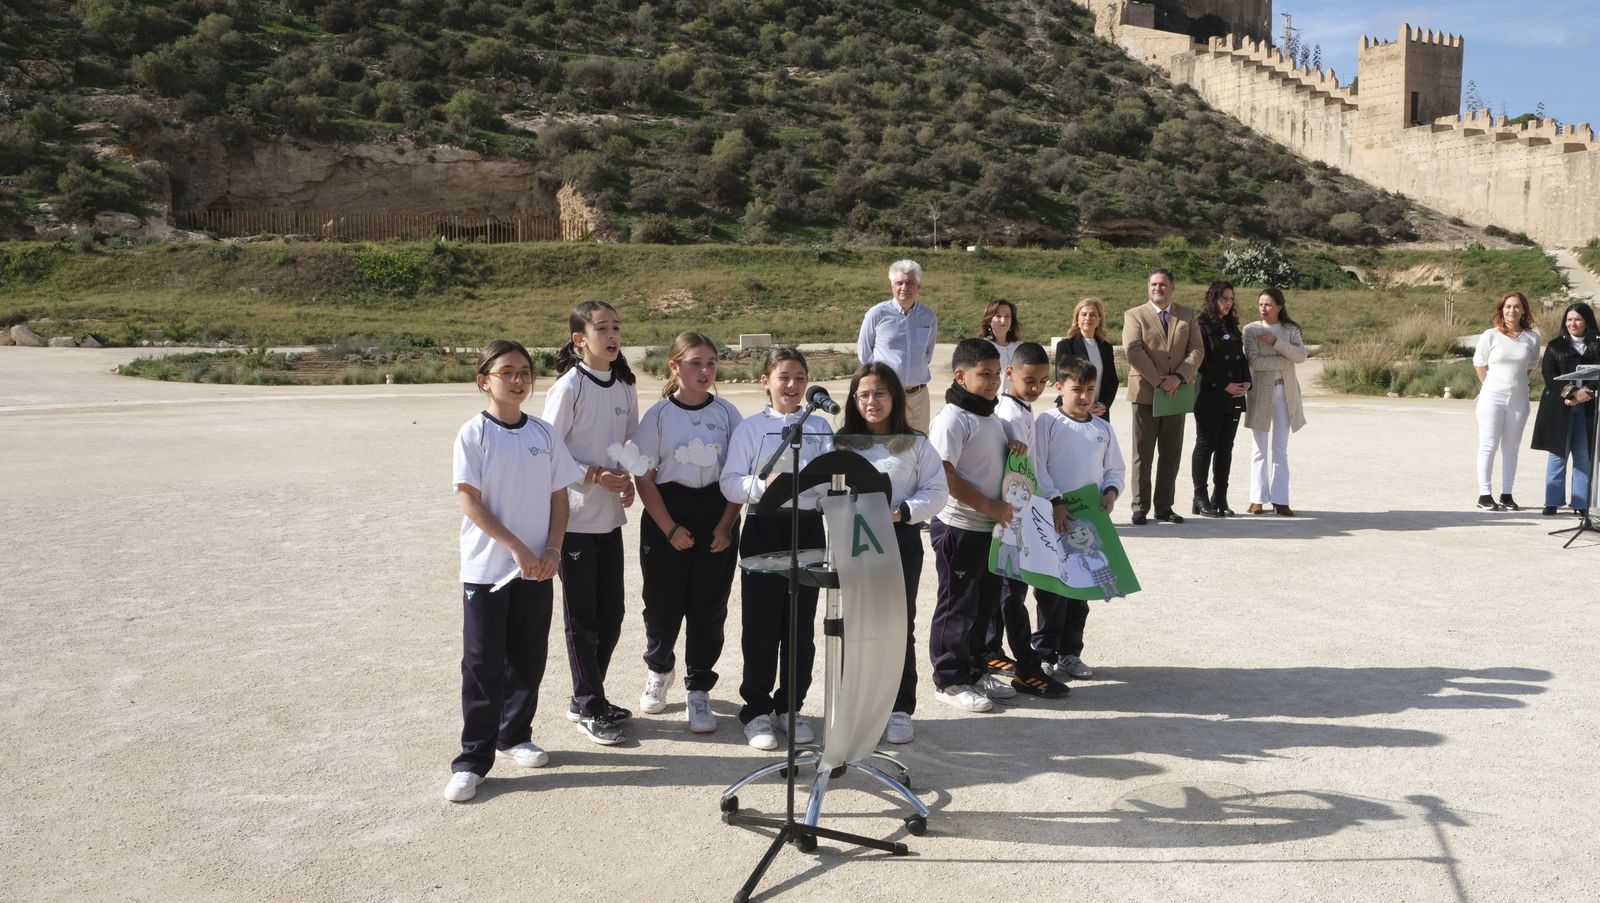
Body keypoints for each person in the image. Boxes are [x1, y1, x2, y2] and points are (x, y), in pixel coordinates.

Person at [445, 340, 585, 803]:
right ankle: (472, 759)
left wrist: (551, 549)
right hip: (489, 569)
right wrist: (517, 549)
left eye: (525, 371)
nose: (519, 380)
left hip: (538, 568)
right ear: (484, 380)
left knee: (528, 656)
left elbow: (558, 497)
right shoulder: (474, 434)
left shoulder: (543, 434)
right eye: (507, 372)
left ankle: (514, 735)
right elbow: (469, 500)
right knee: (484, 663)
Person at [720, 348, 834, 750]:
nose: (793, 385)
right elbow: (730, 481)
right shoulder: (750, 429)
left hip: (808, 528)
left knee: (800, 625)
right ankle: (755, 709)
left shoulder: (821, 426)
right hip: (764, 527)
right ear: (765, 381)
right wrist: (760, 486)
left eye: (800, 377)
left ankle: (790, 706)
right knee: (762, 625)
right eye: (784, 376)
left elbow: (833, 476)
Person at [633, 332, 743, 734]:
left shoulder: (729, 414)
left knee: (708, 607)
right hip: (669, 515)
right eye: (695, 363)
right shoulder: (659, 415)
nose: (704, 371)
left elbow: (738, 476)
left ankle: (699, 688)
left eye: (711, 363)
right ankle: (660, 670)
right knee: (662, 604)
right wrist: (669, 528)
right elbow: (643, 476)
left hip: (715, 513)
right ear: (675, 367)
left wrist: (726, 525)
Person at [834, 363, 949, 743]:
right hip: (851, 541)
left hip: (898, 539)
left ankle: (899, 707)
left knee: (899, 625)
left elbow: (936, 491)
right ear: (854, 400)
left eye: (880, 393)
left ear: (895, 398)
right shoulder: (841, 444)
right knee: (853, 625)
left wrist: (902, 512)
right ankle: (854, 706)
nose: (872, 401)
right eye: (864, 394)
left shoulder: (915, 443)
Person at [543, 300, 639, 746]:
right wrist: (594, 474)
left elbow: (627, 446)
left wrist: (628, 481)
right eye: (602, 328)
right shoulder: (568, 388)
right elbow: (548, 449)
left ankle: (585, 696)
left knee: (613, 614)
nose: (613, 335)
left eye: (616, 327)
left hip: (609, 520)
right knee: (582, 618)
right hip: (574, 518)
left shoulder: (623, 386)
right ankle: (589, 703)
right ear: (580, 339)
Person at [926, 338, 1013, 714]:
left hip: (990, 528)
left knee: (985, 606)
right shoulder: (952, 419)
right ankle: (949, 680)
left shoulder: (989, 415)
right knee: (958, 605)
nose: (993, 381)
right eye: (984, 375)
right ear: (960, 376)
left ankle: (976, 670)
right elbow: (945, 475)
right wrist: (989, 506)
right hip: (959, 527)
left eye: (996, 374)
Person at [981, 342, 1068, 698]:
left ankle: (991, 649)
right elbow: (1007, 468)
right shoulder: (1007, 412)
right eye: (1029, 380)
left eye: (1043, 381)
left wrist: (1054, 498)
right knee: (1010, 591)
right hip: (1007, 514)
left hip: (1021, 509)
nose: (1036, 387)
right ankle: (1027, 667)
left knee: (1006, 588)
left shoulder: (1023, 408)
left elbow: (1031, 467)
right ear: (1010, 374)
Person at [1032, 355, 1125, 682]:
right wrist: (1055, 501)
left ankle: (1071, 653)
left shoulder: (1103, 428)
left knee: (1081, 588)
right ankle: (1044, 653)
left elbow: (1115, 469)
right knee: (1051, 590)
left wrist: (1111, 492)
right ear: (1059, 387)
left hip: (1087, 524)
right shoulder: (1047, 423)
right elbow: (1038, 467)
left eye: (1089, 389)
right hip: (1053, 520)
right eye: (1076, 389)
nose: (1084, 396)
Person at [1123, 268, 1204, 525]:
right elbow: (1133, 351)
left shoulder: (1188, 315)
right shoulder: (1134, 315)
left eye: (1163, 284)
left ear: (1172, 288)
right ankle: (1140, 507)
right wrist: (1160, 381)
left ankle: (1164, 506)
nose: (1158, 288)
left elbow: (1197, 350)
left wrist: (1178, 378)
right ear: (1148, 287)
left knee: (1171, 453)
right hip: (1146, 393)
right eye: (1154, 284)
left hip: (1176, 393)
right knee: (1142, 453)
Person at [1472, 291, 1541, 511]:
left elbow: (1530, 366)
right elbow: (1479, 363)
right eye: (1508, 306)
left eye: (1517, 307)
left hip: (1519, 399)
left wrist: (1517, 384)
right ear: (1502, 309)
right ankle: (1484, 495)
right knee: (1488, 445)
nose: (1512, 310)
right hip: (1492, 397)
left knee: (1511, 449)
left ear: (1524, 310)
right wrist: (1489, 386)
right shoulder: (1490, 335)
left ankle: (1507, 494)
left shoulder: (1532, 338)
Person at [1530, 302, 1600, 516]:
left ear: (1587, 321)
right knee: (1558, 454)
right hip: (1560, 407)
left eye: (1577, 319)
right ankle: (1552, 501)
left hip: (1588, 407)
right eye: (1569, 319)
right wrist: (1571, 394)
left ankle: (1580, 503)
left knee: (1583, 454)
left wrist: (1586, 393)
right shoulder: (1554, 346)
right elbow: (1549, 376)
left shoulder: (1597, 345)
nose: (1572, 323)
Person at [1243, 289, 1308, 516]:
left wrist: (1276, 342)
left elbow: (1300, 357)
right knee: (1259, 447)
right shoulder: (1250, 330)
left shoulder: (1291, 330)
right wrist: (1284, 361)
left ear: (1279, 306)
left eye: (1268, 304)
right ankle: (1257, 499)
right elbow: (1252, 361)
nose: (1263, 308)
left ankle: (1281, 500)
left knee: (1280, 447)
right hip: (1260, 391)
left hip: (1285, 392)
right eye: (1260, 304)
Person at [1191, 281, 1251, 517]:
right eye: (1224, 298)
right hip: (1210, 394)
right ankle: (1200, 496)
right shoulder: (1202, 324)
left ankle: (1220, 497)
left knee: (1226, 447)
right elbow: (1202, 362)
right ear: (1213, 299)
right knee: (1207, 444)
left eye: (1231, 298)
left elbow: (1241, 358)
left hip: (1234, 394)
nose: (1229, 302)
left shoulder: (1231, 324)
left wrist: (1247, 382)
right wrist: (1225, 385)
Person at [858, 259, 939, 432]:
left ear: (919, 286)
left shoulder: (928, 317)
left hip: (918, 397)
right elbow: (865, 356)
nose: (904, 287)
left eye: (910, 283)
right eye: (899, 283)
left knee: (919, 446)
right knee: (887, 444)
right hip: (888, 396)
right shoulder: (877, 314)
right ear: (892, 285)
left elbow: (927, 354)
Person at [1054, 297, 1118, 419]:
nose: (1088, 318)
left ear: (1099, 320)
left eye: (1093, 315)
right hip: (1072, 411)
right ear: (1077, 318)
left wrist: (1104, 404)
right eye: (1084, 314)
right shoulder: (1066, 346)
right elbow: (1063, 379)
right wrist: (1087, 406)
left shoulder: (1106, 348)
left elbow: (1112, 380)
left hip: (1099, 412)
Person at [980, 299, 1022, 396]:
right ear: (989, 320)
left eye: (1007, 316)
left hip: (1015, 403)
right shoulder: (982, 347)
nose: (1003, 321)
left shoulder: (1020, 347)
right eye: (998, 316)